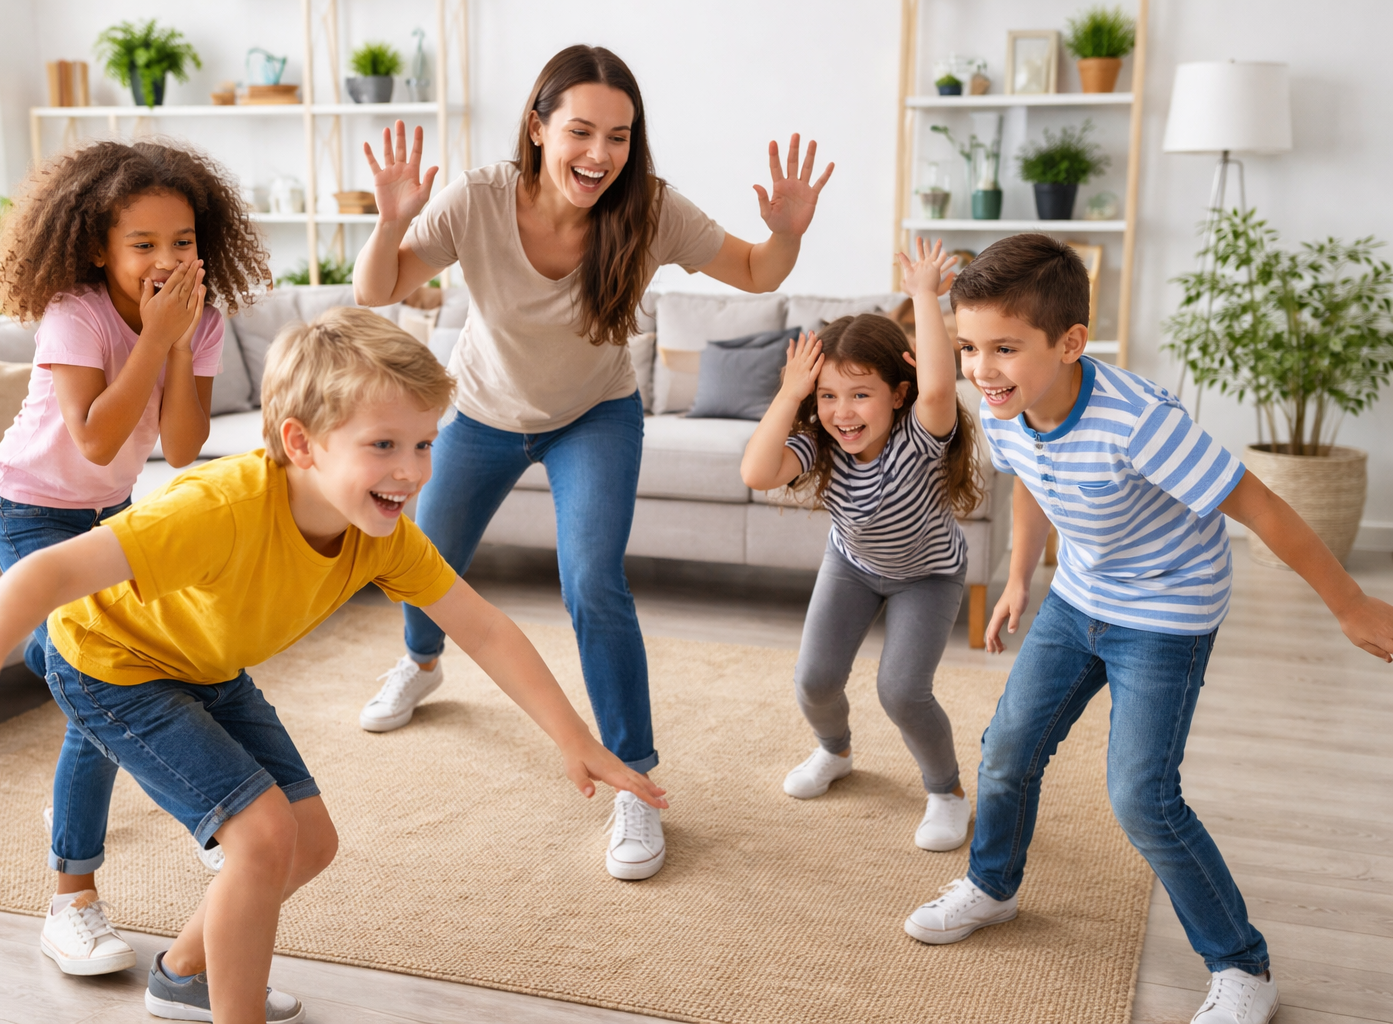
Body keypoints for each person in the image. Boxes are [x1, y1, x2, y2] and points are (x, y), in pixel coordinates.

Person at [0, 307, 667, 1024]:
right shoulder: (215, 508)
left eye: (424, 442)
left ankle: (182, 975)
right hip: (113, 666)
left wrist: (575, 739)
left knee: (309, 842)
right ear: (299, 444)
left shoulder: (380, 537)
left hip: (208, 667)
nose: (414, 470)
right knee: (262, 833)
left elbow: (485, 630)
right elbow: (50, 572)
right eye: (383, 445)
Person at [350, 43, 833, 880]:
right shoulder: (477, 201)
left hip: (594, 415)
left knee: (594, 583)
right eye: (581, 131)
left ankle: (634, 781)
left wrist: (784, 233)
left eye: (620, 135)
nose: (601, 154)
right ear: (538, 127)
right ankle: (421, 664)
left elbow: (757, 272)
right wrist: (391, 219)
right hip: (483, 408)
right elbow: (377, 288)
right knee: (424, 558)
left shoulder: (646, 209)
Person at [900, 234, 1393, 1024]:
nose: (981, 368)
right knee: (1005, 751)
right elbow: (1031, 483)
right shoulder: (1002, 408)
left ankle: (1244, 966)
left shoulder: (1139, 422)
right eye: (968, 347)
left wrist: (1350, 604)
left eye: (1003, 348)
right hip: (1080, 596)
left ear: (1069, 344)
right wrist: (1022, 579)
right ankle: (991, 888)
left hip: (1167, 610)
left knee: (1140, 798)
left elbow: (1258, 504)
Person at [0, 140, 271, 975]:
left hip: (112, 513)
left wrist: (179, 342)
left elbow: (180, 448)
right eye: (142, 244)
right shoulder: (75, 312)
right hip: (32, 514)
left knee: (103, 681)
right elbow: (99, 433)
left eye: (181, 241)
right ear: (97, 248)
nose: (166, 259)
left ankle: (113, 854)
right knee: (98, 683)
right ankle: (71, 902)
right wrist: (152, 337)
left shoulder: (202, 321)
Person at [740, 239, 981, 851]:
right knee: (815, 680)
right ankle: (835, 751)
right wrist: (792, 394)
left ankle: (947, 791)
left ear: (896, 396)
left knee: (901, 691)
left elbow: (936, 386)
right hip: (851, 565)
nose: (842, 412)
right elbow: (756, 472)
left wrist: (925, 293)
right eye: (828, 397)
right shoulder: (819, 442)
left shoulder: (919, 436)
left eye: (859, 394)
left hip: (927, 576)